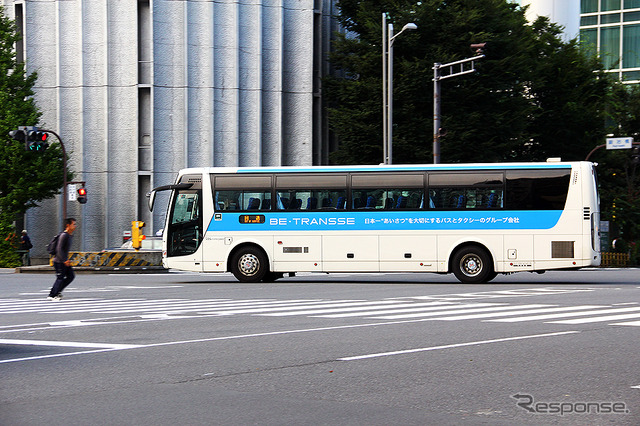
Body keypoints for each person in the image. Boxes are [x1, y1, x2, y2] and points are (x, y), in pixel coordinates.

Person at [48, 218, 77, 301]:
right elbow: (59, 249)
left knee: (70, 276)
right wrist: (64, 260)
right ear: (68, 225)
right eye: (74, 224)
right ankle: (52, 295)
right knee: (60, 278)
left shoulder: (69, 235)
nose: (75, 226)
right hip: (59, 261)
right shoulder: (64, 235)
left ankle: (57, 291)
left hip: (64, 261)